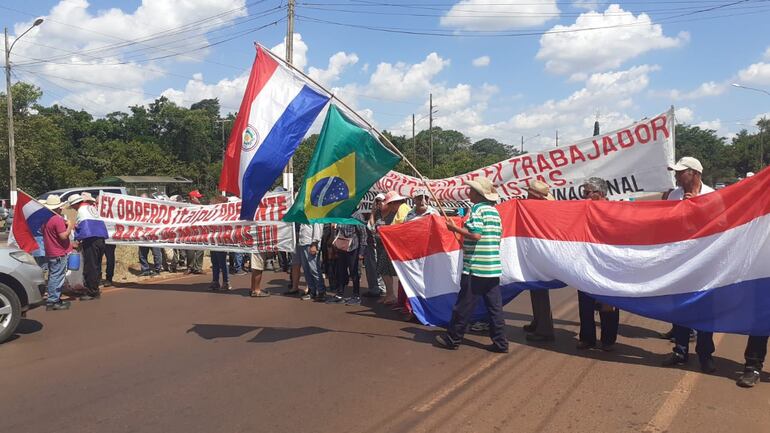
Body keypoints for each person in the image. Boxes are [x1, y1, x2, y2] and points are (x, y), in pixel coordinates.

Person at [436, 177, 508, 353]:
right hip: (492, 268)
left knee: (463, 306)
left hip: (476, 268)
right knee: (495, 308)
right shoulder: (494, 212)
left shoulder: (476, 209)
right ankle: (501, 343)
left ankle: (452, 339)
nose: (468, 191)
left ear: (477, 193)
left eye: (471, 189)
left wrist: (455, 229)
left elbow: (476, 235)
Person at [661, 157, 717, 373]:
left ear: (694, 173)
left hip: (705, 263)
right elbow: (665, 224)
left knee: (704, 310)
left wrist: (699, 209)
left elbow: (722, 226)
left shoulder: (713, 195)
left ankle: (705, 355)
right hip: (680, 262)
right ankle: (680, 351)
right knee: (680, 308)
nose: (676, 176)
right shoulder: (674, 195)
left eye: (680, 172)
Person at [575, 177, 620, 351]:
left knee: (608, 303)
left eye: (587, 193)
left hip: (607, 263)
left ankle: (608, 340)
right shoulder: (582, 209)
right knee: (585, 301)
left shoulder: (614, 209)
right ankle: (587, 338)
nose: (584, 196)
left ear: (599, 193)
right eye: (583, 192)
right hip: (586, 262)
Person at [522, 181, 556, 343]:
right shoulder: (542, 209)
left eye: (529, 194)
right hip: (538, 254)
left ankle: (544, 329)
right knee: (535, 290)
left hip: (541, 255)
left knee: (539, 291)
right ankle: (539, 322)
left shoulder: (541, 211)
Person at [71, 192, 108, 301]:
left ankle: (92, 292)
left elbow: (82, 228)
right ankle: (94, 287)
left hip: (91, 240)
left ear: (76, 204)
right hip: (100, 239)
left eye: (73, 206)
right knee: (96, 265)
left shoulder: (81, 211)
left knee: (90, 266)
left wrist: (77, 240)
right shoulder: (92, 208)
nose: (73, 209)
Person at [373, 191, 408, 304]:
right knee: (384, 270)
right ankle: (390, 294)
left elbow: (399, 227)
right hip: (387, 246)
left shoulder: (402, 210)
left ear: (393, 203)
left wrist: (384, 231)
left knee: (394, 272)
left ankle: (393, 296)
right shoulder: (399, 210)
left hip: (395, 246)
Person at [42, 195, 74, 311]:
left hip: (51, 251)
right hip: (58, 252)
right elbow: (63, 236)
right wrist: (70, 226)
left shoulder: (46, 220)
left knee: (53, 275)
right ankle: (53, 301)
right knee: (57, 276)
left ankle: (54, 298)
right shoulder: (57, 219)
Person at [328, 222, 366, 305]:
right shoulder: (342, 215)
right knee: (341, 270)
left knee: (354, 272)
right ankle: (340, 294)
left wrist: (361, 252)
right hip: (341, 247)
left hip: (353, 247)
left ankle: (356, 296)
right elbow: (338, 231)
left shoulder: (357, 215)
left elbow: (363, 234)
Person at [357, 204, 385, 298]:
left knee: (379, 267)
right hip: (369, 245)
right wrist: (372, 213)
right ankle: (373, 289)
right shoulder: (371, 214)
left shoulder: (385, 216)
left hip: (380, 246)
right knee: (370, 268)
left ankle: (381, 289)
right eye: (376, 201)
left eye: (381, 201)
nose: (378, 204)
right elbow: (369, 227)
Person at [291, 223, 325, 301]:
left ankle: (321, 291)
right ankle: (312, 291)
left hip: (310, 244)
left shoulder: (315, 213)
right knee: (306, 270)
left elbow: (318, 229)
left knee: (314, 269)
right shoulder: (304, 214)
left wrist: (314, 243)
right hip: (303, 242)